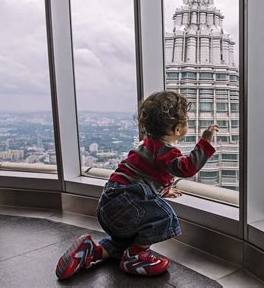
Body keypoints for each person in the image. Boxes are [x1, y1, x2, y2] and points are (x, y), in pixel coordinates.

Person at [55, 91, 218, 279]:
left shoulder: (147, 144)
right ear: (177, 129)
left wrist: (162, 190)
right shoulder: (165, 151)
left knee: (122, 243)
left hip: (108, 204)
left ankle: (91, 251)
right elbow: (186, 168)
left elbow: (142, 176)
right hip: (126, 202)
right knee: (165, 216)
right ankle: (136, 257)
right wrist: (205, 141)